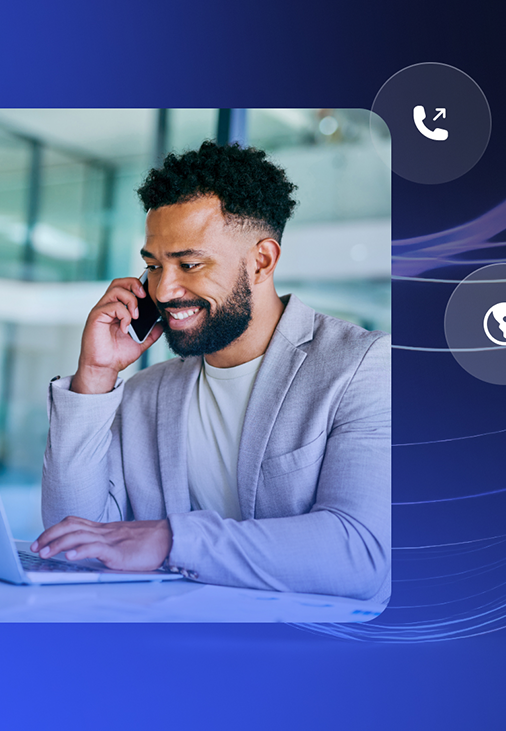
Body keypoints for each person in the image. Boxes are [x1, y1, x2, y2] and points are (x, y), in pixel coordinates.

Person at [32, 141, 390, 603]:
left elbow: (360, 554)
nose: (164, 289)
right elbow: (71, 540)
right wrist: (96, 374)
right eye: (153, 266)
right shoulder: (145, 394)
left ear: (262, 260)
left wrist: (170, 540)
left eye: (190, 264)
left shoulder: (362, 367)